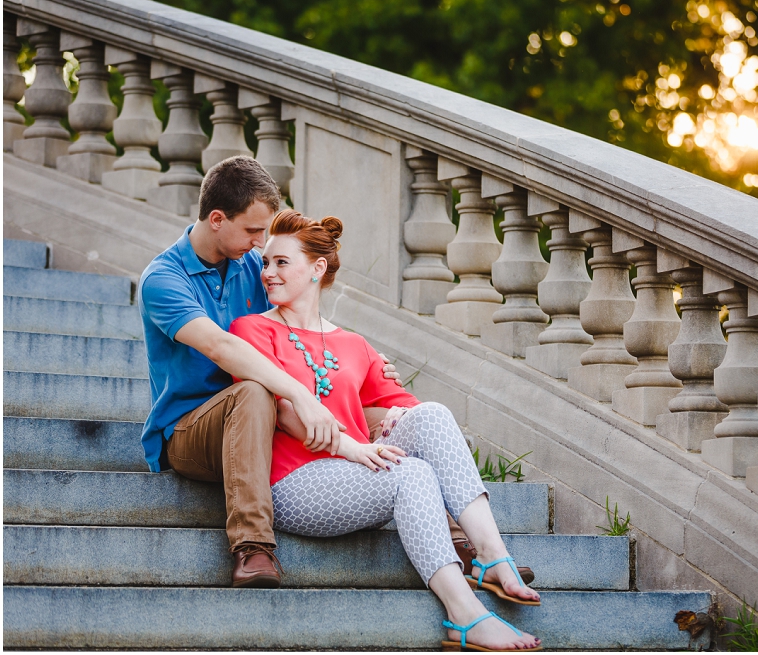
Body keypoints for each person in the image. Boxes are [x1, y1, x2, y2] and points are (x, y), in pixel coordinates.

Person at [229, 209, 542, 652]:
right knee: (410, 474)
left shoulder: (355, 345)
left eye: (281, 262)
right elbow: (283, 413)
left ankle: (491, 555)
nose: (267, 273)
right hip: (294, 482)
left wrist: (394, 417)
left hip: (358, 471)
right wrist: (354, 448)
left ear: (317, 268)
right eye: (266, 262)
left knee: (431, 413)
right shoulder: (251, 329)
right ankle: (465, 615)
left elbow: (405, 407)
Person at [137, 156, 403, 588]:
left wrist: (366, 358)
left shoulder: (250, 266)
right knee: (256, 393)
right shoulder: (164, 279)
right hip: (189, 431)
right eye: (253, 230)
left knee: (395, 415)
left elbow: (297, 323)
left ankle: (458, 532)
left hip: (269, 418)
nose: (263, 245)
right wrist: (301, 396)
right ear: (217, 219)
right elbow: (220, 346)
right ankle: (253, 545)